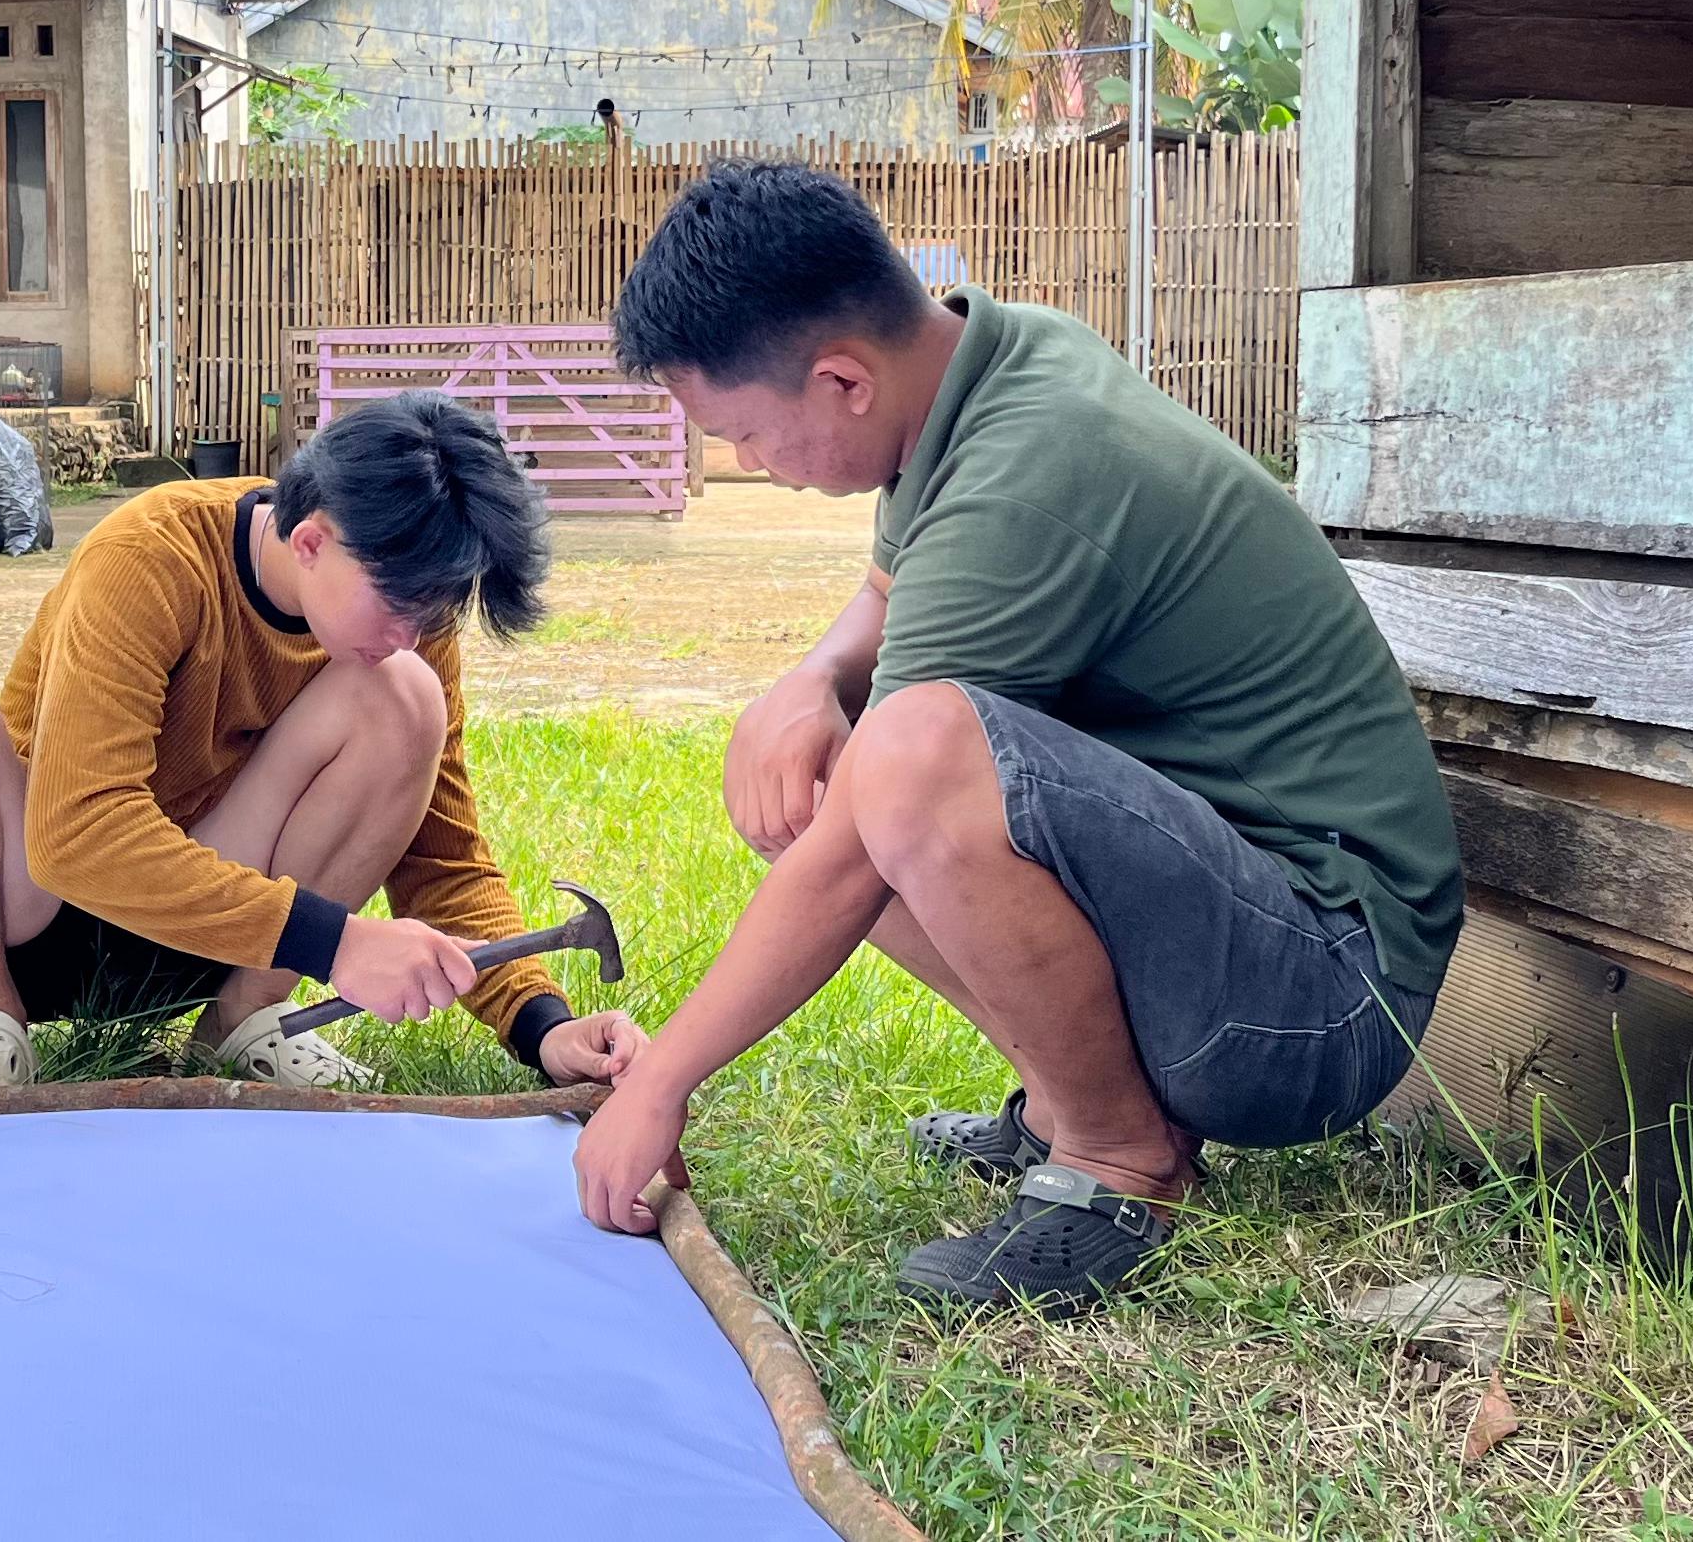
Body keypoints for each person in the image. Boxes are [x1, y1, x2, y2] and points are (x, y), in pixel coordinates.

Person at [571, 162, 1459, 1309]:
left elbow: (890, 798)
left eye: (743, 432)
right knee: (842, 766)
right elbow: (897, 593)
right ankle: (1062, 1102)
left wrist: (661, 1084)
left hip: (1323, 1001)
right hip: (1259, 930)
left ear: (841, 380)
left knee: (899, 763)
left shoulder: (1030, 468)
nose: (749, 464)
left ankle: (1118, 1160)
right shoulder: (971, 368)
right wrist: (809, 679)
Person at [0, 390, 645, 1092]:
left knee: (405, 697)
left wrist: (540, 1028)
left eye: (436, 610)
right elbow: (73, 833)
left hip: (210, 940)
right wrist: (339, 944)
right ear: (312, 540)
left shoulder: (408, 629)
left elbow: (442, 858)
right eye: (400, 602)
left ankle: (244, 1026)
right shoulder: (151, 556)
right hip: (25, 913)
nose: (413, 631)